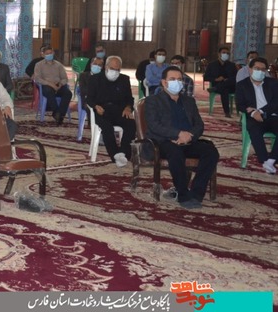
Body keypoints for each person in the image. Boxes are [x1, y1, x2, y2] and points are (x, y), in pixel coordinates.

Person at [144, 66, 220, 209]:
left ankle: (196, 194)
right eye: (172, 79)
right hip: (164, 141)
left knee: (211, 152)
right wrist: (177, 134)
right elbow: (154, 125)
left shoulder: (188, 101)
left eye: (179, 79)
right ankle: (183, 195)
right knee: (175, 153)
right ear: (164, 82)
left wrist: (189, 136)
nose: (177, 82)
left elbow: (199, 124)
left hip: (187, 140)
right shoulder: (153, 100)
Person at [86, 56, 136, 167]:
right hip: (102, 111)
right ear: (106, 67)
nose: (115, 72)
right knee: (107, 128)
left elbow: (129, 99)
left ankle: (123, 153)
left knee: (131, 124)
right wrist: (95, 106)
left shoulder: (124, 79)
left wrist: (128, 107)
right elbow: (89, 98)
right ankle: (115, 155)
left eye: (118, 70)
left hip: (119, 111)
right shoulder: (95, 79)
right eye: (112, 68)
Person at [234, 57, 278, 174]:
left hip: (272, 116)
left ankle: (271, 160)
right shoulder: (242, 85)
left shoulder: (273, 83)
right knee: (254, 129)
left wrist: (261, 111)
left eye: (263, 69)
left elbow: (276, 103)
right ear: (250, 69)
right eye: (257, 68)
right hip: (254, 117)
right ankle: (264, 159)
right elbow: (240, 105)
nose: (260, 71)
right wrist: (253, 113)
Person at [32, 45, 71, 125]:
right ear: (43, 54)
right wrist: (50, 84)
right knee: (48, 91)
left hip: (58, 85)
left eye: (51, 53)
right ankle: (57, 112)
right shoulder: (39, 65)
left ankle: (60, 114)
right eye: (47, 53)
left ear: (53, 53)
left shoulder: (59, 65)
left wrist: (60, 84)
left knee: (68, 93)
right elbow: (38, 78)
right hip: (47, 85)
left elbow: (65, 78)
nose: (49, 55)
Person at [203, 46, 236, 118]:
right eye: (224, 52)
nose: (226, 54)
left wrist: (227, 79)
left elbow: (235, 77)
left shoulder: (232, 65)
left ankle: (216, 88)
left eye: (227, 53)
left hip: (230, 86)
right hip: (218, 85)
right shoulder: (212, 65)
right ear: (219, 54)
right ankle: (227, 112)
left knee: (226, 86)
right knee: (224, 89)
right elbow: (206, 77)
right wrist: (216, 79)